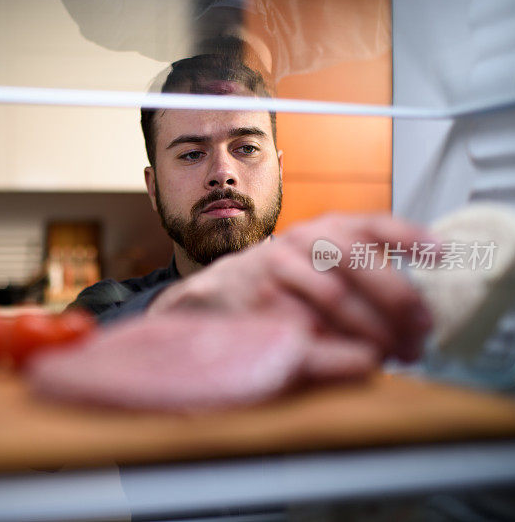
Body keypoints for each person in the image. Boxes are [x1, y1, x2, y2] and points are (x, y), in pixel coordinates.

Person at [69, 53, 434, 363]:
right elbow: (69, 357)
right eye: (192, 154)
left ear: (279, 170)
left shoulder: (338, 296)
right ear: (153, 187)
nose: (223, 174)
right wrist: (194, 302)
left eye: (246, 148)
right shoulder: (108, 306)